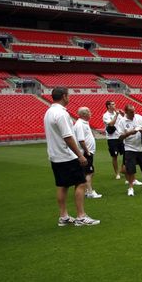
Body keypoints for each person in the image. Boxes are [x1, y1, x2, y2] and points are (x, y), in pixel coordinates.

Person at [43, 87, 100, 226]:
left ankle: (63, 216)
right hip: (66, 155)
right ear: (64, 96)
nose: (69, 98)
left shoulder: (49, 112)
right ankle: (81, 216)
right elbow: (68, 137)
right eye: (68, 95)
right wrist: (80, 155)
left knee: (62, 185)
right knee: (80, 183)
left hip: (55, 155)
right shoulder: (62, 114)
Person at [117, 104, 142, 195]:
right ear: (126, 112)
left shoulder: (139, 117)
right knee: (130, 169)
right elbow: (120, 137)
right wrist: (130, 133)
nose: (133, 113)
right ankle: (130, 188)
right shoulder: (122, 121)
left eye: (134, 111)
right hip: (130, 148)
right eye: (131, 112)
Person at [72, 107, 102, 198]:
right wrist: (87, 151)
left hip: (86, 152)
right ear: (84, 114)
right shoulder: (80, 124)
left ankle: (85, 190)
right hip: (85, 153)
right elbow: (81, 140)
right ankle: (89, 191)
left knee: (86, 172)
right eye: (89, 112)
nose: (90, 113)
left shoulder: (83, 123)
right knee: (89, 172)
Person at [103, 100, 125, 179]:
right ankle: (117, 173)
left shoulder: (118, 113)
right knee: (114, 156)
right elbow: (111, 124)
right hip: (112, 138)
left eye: (114, 104)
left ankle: (123, 168)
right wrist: (116, 115)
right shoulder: (106, 115)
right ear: (108, 106)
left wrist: (123, 114)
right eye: (112, 104)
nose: (115, 105)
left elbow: (125, 120)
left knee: (126, 153)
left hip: (120, 136)